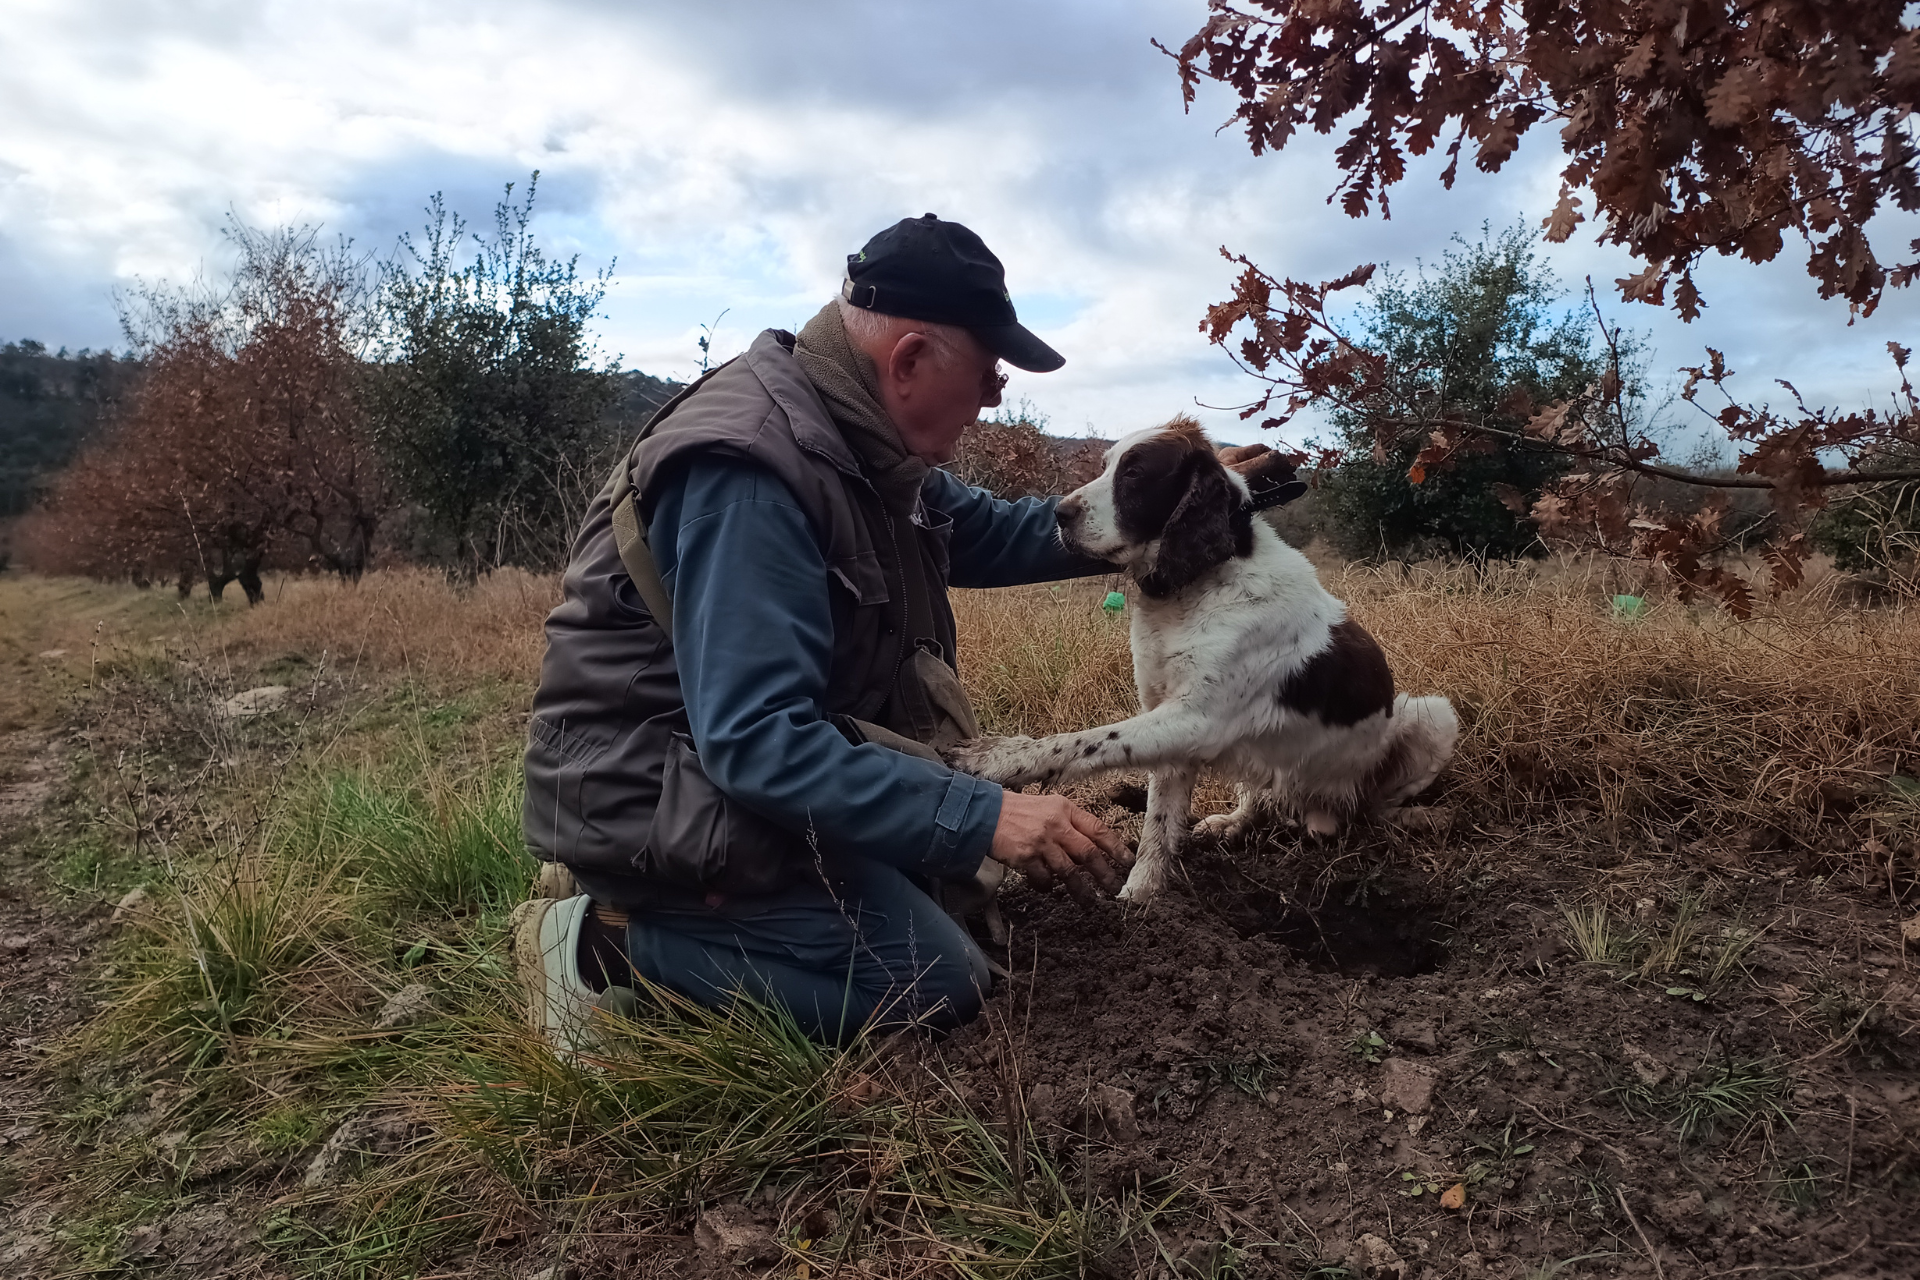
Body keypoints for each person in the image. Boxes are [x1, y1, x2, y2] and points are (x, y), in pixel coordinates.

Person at [512, 214, 1132, 1049]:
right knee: (934, 983)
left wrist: (1156, 512)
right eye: (990, 374)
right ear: (909, 360)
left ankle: (669, 908)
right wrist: (982, 815)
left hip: (721, 784)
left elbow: (994, 532)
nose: (995, 398)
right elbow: (759, 741)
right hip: (656, 794)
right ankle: (602, 944)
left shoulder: (856, 438)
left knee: (949, 899)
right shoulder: (755, 475)